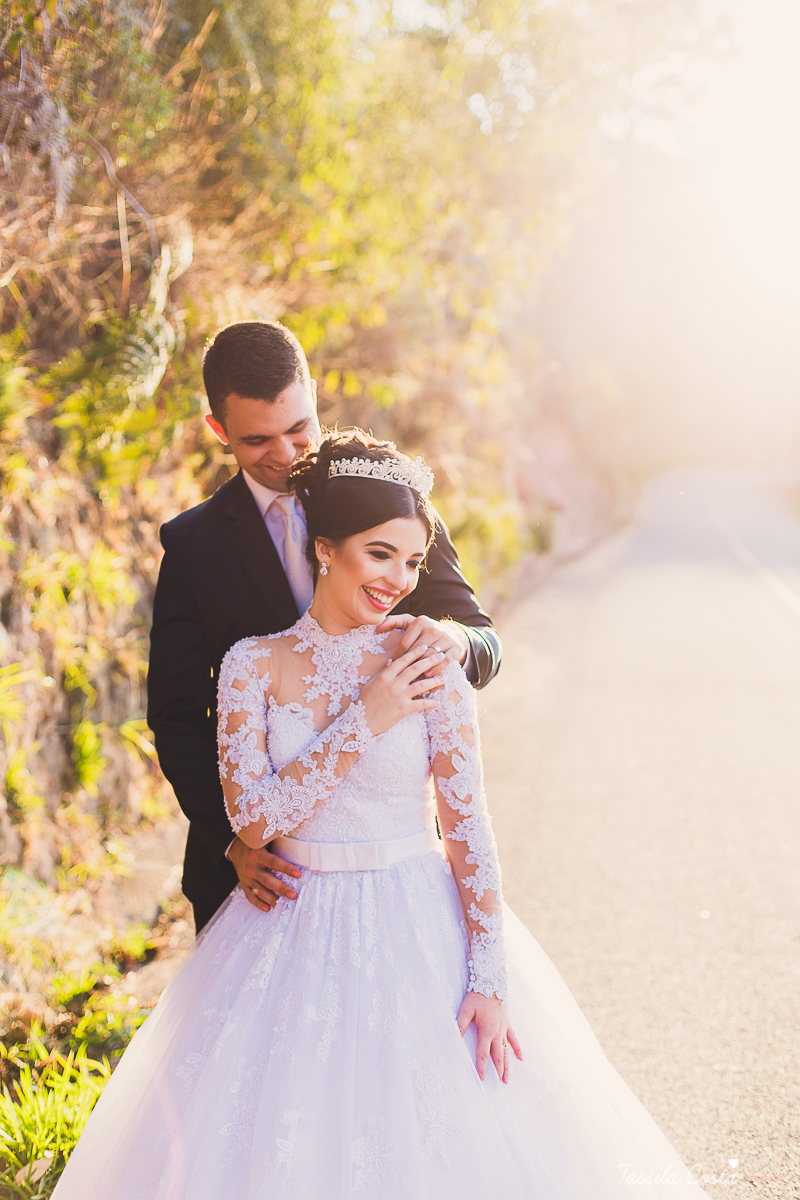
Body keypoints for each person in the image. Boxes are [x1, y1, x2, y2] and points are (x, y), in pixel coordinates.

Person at [54, 434, 709, 1199]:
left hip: (419, 925)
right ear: (324, 549)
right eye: (379, 554)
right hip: (287, 928)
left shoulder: (430, 662)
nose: (398, 579)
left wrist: (488, 976)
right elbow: (254, 821)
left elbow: (468, 830)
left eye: (411, 560)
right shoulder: (251, 665)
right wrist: (368, 715)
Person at [147, 320, 501, 934]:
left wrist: (454, 640)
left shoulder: (387, 499)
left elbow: (481, 638)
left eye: (298, 428)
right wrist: (233, 843)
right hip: (259, 877)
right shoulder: (192, 546)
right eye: (257, 440)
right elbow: (176, 714)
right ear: (219, 431)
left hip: (392, 864)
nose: (286, 454)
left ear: (313, 395)